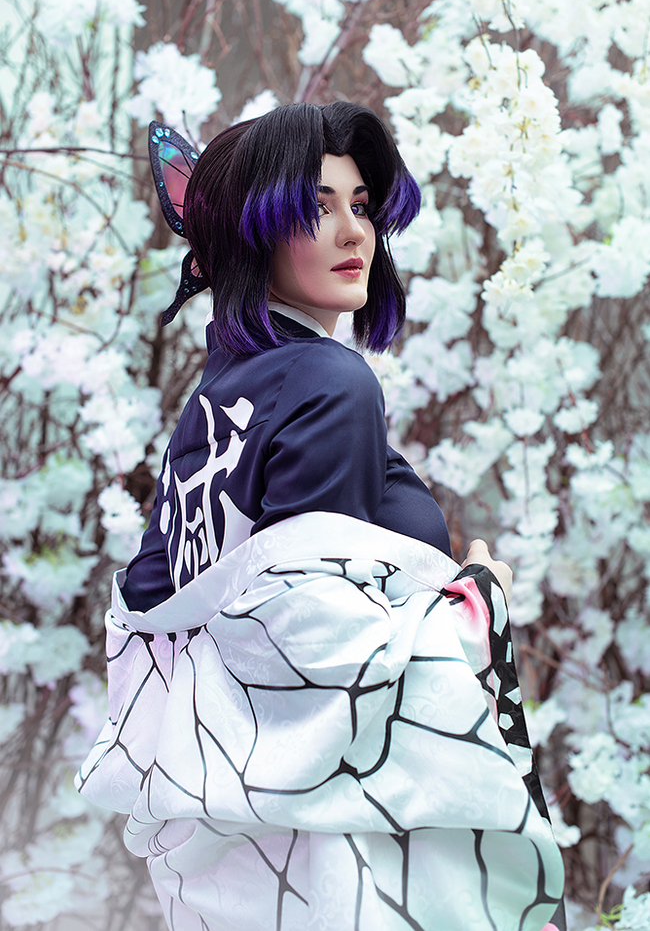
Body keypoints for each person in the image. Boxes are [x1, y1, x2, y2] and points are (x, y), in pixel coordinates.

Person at [76, 101, 565, 931]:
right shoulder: (329, 382)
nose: (352, 233)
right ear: (252, 234)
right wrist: (475, 608)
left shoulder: (208, 406)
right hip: (335, 861)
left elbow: (153, 624)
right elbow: (314, 651)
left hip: (234, 856)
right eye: (315, 208)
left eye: (361, 205)